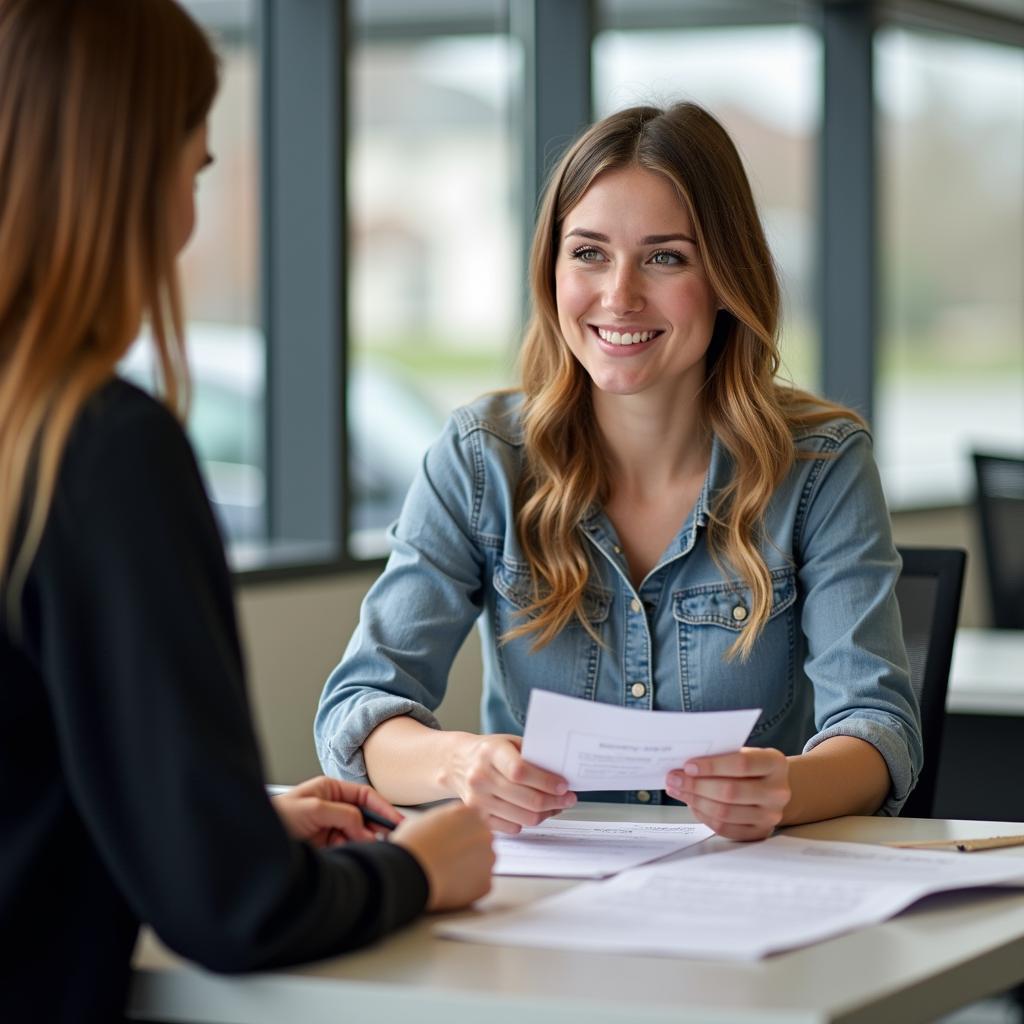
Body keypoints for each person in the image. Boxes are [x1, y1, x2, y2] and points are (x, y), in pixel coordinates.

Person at [0, 2, 493, 1020]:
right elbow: (234, 907)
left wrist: (235, 814)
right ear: (128, 177)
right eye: (194, 167)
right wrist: (421, 868)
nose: (190, 212)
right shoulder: (98, 450)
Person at [315, 102, 923, 841]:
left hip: (749, 893)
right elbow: (360, 708)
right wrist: (458, 764)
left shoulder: (822, 465)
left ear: (727, 274)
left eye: (666, 257)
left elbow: (878, 728)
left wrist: (786, 789)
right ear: (552, 270)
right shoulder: (480, 459)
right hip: (541, 897)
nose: (619, 295)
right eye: (589, 253)